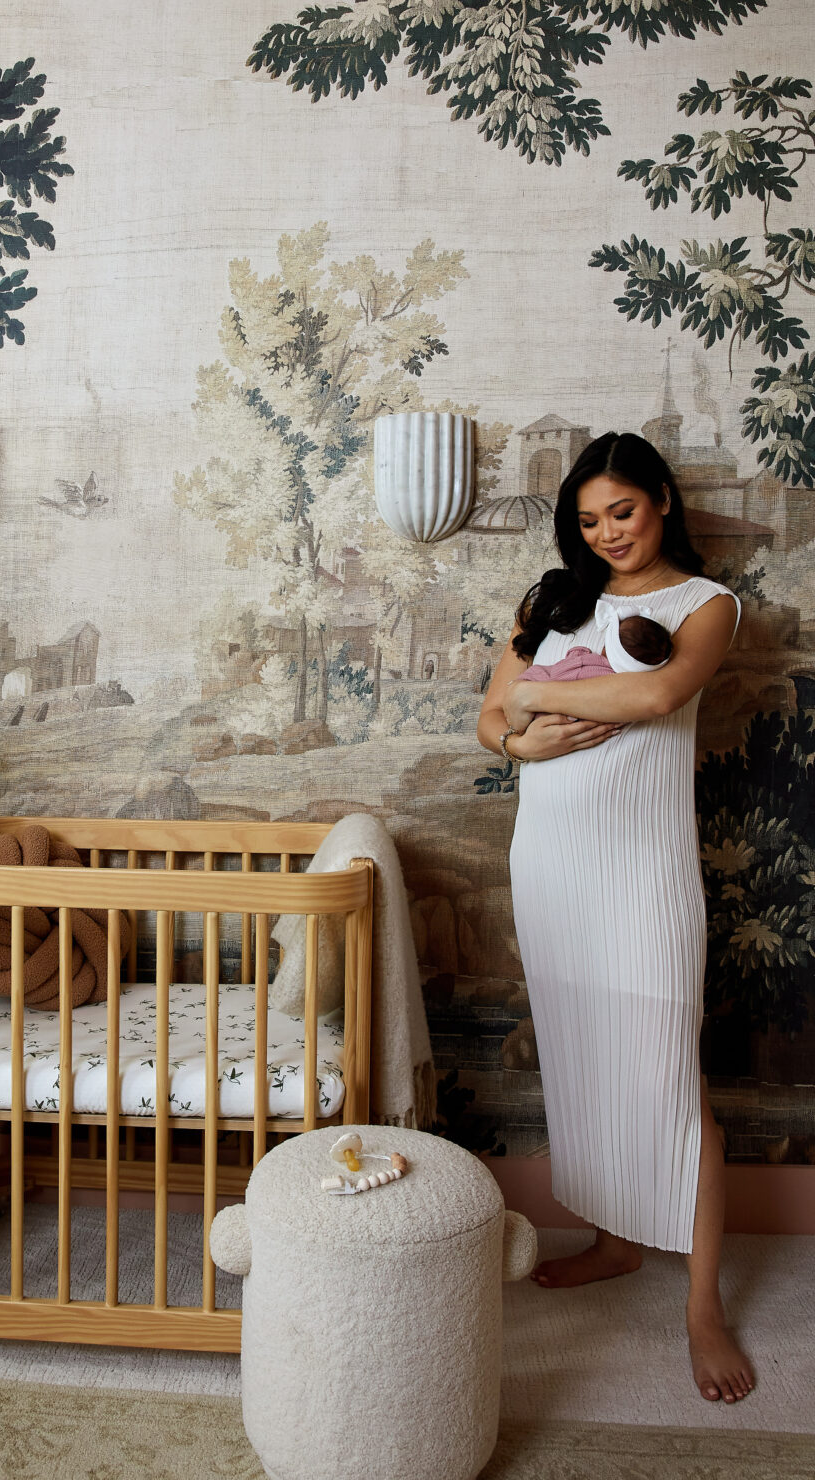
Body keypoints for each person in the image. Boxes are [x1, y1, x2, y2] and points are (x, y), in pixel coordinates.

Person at [476, 430, 754, 1405]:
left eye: (623, 512)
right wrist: (529, 741)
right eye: (590, 520)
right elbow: (489, 719)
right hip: (551, 866)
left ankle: (704, 1308)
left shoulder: (705, 607)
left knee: (670, 1083)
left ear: (663, 501)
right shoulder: (553, 600)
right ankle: (616, 1241)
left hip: (641, 875)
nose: (608, 534)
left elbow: (662, 689)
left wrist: (535, 707)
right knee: (585, 1059)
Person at [518, 600, 673, 684]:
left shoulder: (593, 665)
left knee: (535, 674)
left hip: (545, 686)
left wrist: (579, 651)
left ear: (610, 648)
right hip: (549, 700)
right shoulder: (621, 685)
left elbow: (573, 662)